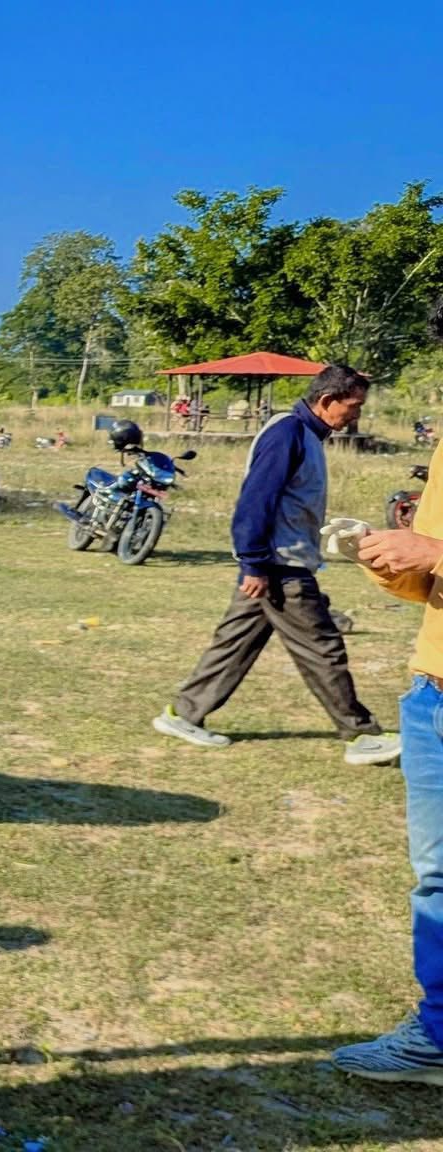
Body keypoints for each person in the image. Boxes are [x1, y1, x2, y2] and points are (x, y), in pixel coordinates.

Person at [153, 365, 399, 766]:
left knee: (235, 643)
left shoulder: (308, 436)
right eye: (354, 406)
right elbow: (255, 499)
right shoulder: (287, 433)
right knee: (323, 648)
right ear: (327, 400)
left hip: (279, 564)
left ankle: (183, 714)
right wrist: (253, 564)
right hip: (281, 567)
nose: (357, 414)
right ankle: (361, 734)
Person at [335, 299, 443, 1082]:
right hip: (433, 688)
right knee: (438, 880)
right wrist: (393, 562)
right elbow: (430, 573)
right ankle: (438, 1035)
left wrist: (432, 552)